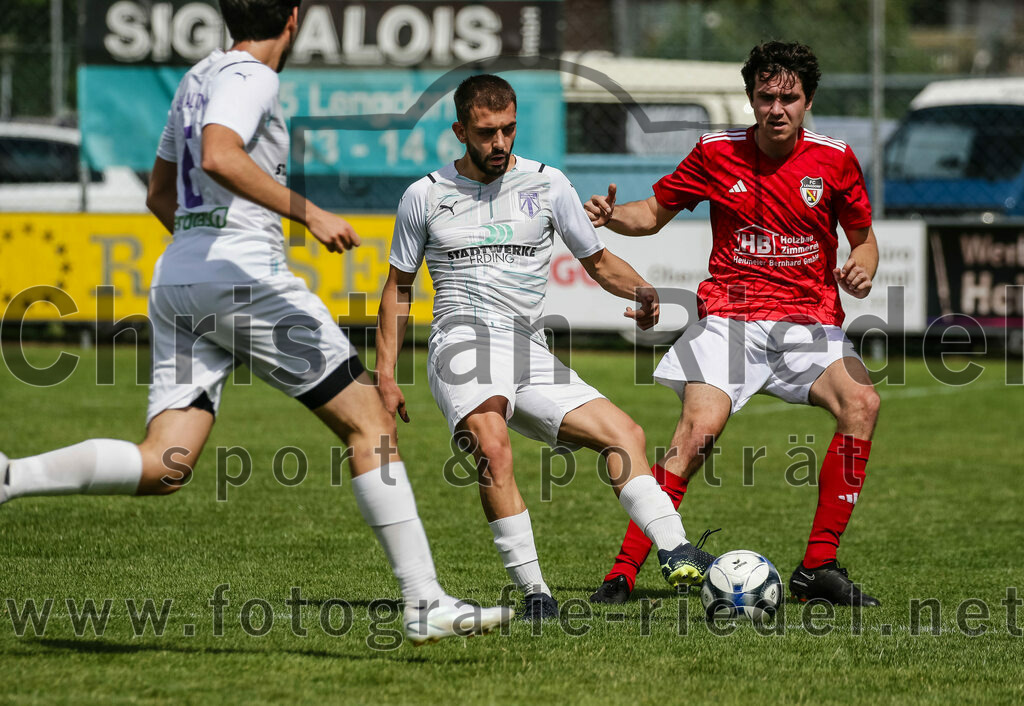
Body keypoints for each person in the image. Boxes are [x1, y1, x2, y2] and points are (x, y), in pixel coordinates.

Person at [0, 0, 511, 645]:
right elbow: (219, 154)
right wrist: (308, 214)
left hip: (181, 277)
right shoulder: (253, 75)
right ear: (292, 19)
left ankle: (10, 476)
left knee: (165, 463)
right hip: (242, 277)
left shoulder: (196, 78)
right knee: (371, 422)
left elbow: (160, 192)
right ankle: (423, 601)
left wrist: (201, 254)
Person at [375, 74, 712, 621]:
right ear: (460, 129)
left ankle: (675, 549)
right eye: (486, 133)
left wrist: (644, 290)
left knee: (624, 434)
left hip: (524, 347)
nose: (500, 143)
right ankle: (536, 594)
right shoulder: (424, 195)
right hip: (461, 341)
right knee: (493, 446)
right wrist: (385, 375)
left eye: (508, 129)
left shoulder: (549, 184)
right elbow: (399, 287)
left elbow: (599, 262)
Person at [586, 41, 882, 607]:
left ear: (808, 100)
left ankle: (818, 567)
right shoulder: (715, 151)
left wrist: (862, 270)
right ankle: (623, 573)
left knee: (862, 404)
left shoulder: (836, 157)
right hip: (730, 316)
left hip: (809, 321)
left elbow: (863, 239)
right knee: (696, 434)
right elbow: (651, 213)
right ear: (750, 98)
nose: (777, 108)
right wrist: (611, 217)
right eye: (766, 96)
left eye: (789, 98)